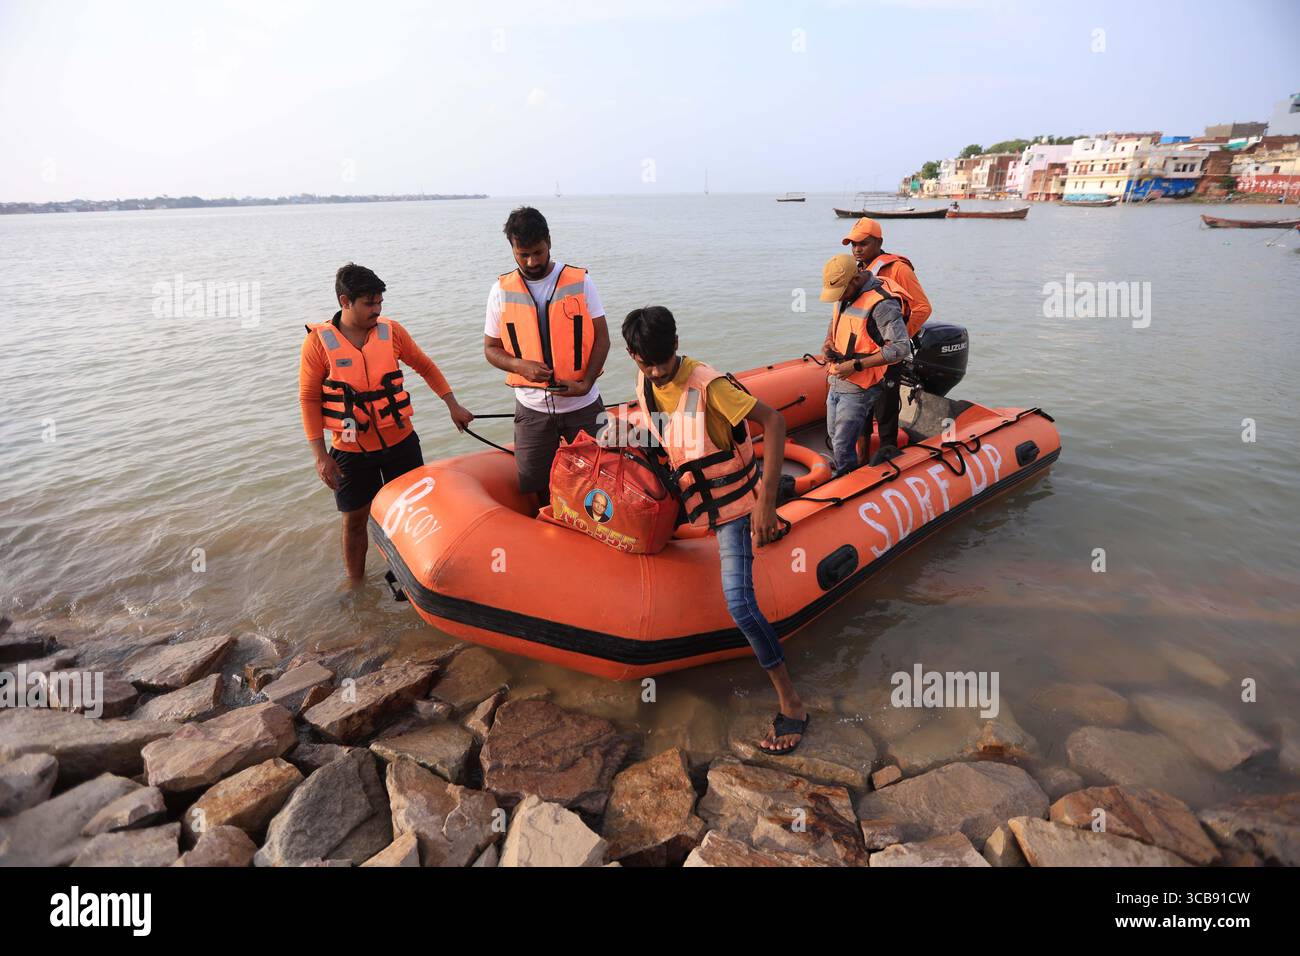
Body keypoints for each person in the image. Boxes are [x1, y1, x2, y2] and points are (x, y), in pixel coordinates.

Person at [622, 305, 809, 755]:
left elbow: (775, 421)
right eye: (646, 363)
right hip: (693, 498)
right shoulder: (645, 382)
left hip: (733, 506)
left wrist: (764, 504)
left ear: (676, 346)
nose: (656, 372)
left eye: (662, 363)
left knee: (740, 605)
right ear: (632, 356)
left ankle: (794, 704)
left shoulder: (712, 386)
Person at [300, 263, 473, 581]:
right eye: (369, 303)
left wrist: (453, 405)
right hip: (350, 451)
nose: (376, 310)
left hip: (401, 443)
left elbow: (425, 366)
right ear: (345, 301)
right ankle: (356, 584)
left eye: (379, 302)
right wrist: (320, 456)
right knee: (354, 519)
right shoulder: (317, 344)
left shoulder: (391, 332)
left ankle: (418, 580)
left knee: (415, 513)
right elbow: (309, 399)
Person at [483, 206, 610, 503]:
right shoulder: (499, 291)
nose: (532, 261)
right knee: (537, 486)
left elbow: (602, 339)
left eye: (538, 252)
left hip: (583, 404)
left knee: (597, 481)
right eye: (523, 254)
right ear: (512, 249)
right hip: (532, 410)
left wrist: (587, 382)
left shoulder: (580, 282)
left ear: (549, 241)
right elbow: (490, 349)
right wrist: (519, 365)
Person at [841, 217, 933, 462]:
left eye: (863, 243)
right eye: (853, 245)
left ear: (879, 242)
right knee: (860, 408)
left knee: (885, 408)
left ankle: (889, 455)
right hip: (862, 353)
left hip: (887, 353)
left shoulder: (898, 269)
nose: (857, 249)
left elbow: (922, 308)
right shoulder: (855, 270)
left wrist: (898, 339)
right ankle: (861, 460)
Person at [818, 254, 913, 477]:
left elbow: (901, 348)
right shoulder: (845, 294)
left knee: (842, 443)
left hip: (860, 384)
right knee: (834, 435)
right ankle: (847, 472)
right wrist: (827, 343)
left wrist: (857, 365)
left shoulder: (882, 304)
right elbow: (836, 321)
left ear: (855, 279)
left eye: (841, 291)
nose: (838, 297)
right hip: (837, 378)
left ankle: (847, 481)